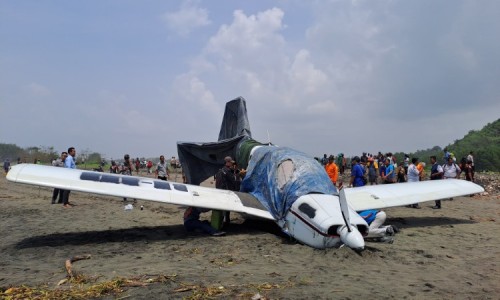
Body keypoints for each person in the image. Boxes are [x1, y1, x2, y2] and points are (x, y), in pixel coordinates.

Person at [214, 156, 246, 228]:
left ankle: (224, 222)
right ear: (227, 162)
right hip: (225, 192)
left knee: (224, 209)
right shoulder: (226, 171)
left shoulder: (221, 170)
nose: (232, 164)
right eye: (231, 163)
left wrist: (235, 171)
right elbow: (234, 179)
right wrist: (240, 174)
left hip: (220, 191)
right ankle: (224, 223)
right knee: (225, 209)